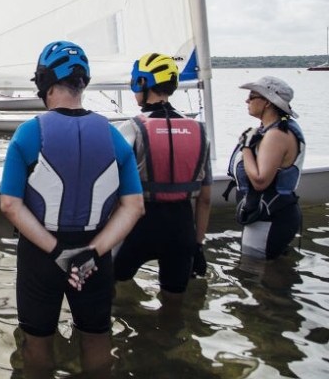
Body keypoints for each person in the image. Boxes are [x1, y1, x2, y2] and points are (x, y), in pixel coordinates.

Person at [0, 41, 144, 377]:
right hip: (95, 257)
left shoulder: (28, 133)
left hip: (42, 255)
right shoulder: (114, 136)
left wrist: (59, 251)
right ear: (83, 83)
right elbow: (134, 207)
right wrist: (91, 252)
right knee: (96, 339)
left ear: (43, 82)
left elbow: (9, 204)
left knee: (38, 342)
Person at [113, 53, 212, 303]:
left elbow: (110, 186)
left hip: (139, 227)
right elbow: (206, 199)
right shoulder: (199, 130)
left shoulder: (131, 128)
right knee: (174, 305)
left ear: (144, 83)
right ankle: (169, 338)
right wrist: (197, 244)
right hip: (181, 230)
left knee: (112, 293)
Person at [226, 76, 304, 260]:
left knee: (255, 274)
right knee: (266, 271)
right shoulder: (272, 130)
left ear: (268, 102)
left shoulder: (276, 135)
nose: (247, 100)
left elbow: (260, 181)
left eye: (252, 96)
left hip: (270, 218)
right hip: (268, 214)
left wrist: (245, 147)